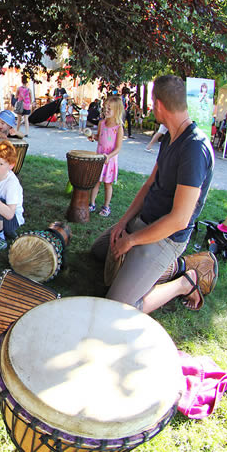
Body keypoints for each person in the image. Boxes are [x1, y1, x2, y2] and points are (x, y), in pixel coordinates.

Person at [90, 75, 216, 313]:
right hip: (144, 222)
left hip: (166, 237)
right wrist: (123, 222)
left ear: (158, 104)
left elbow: (179, 219)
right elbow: (150, 184)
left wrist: (132, 240)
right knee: (99, 250)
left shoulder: (194, 149)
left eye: (151, 103)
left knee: (118, 308)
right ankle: (159, 266)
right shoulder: (170, 135)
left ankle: (184, 281)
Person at [88, 98, 124, 217]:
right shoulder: (101, 123)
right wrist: (93, 137)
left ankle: (106, 207)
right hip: (99, 158)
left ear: (117, 110)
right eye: (105, 107)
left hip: (109, 160)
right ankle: (91, 204)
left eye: (110, 108)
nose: (106, 110)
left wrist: (109, 156)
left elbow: (118, 148)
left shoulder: (119, 128)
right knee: (95, 181)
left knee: (107, 184)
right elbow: (99, 136)